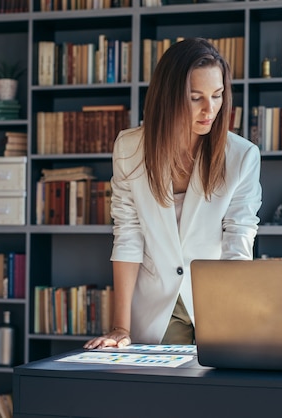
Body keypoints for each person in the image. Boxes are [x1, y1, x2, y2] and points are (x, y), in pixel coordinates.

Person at [84, 38, 262, 349]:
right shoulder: (130, 149)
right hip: (156, 305)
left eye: (217, 96)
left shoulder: (242, 156)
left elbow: (239, 240)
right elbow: (128, 234)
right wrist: (120, 328)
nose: (210, 110)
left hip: (218, 303)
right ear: (169, 96)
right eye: (196, 98)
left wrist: (235, 318)